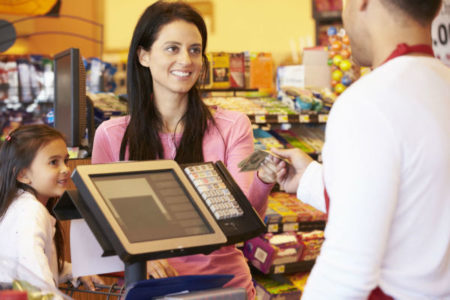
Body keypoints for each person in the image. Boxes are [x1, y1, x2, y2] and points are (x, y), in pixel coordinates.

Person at [91, 1, 276, 298]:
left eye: (194, 50)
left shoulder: (233, 126)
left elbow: (244, 214)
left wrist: (265, 179)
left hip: (226, 287)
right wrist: (144, 259)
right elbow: (102, 226)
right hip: (149, 287)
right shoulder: (112, 136)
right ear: (144, 55)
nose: (186, 60)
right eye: (172, 48)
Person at [271, 0, 450, 298]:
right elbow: (421, 198)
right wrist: (313, 179)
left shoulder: (367, 102)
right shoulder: (441, 85)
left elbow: (346, 271)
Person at [0, 125, 103, 297]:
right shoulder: (30, 211)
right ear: (23, 175)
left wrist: (72, 271)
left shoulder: (20, 206)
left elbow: (33, 261)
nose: (65, 169)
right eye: (53, 162)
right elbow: (36, 280)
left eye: (66, 160)